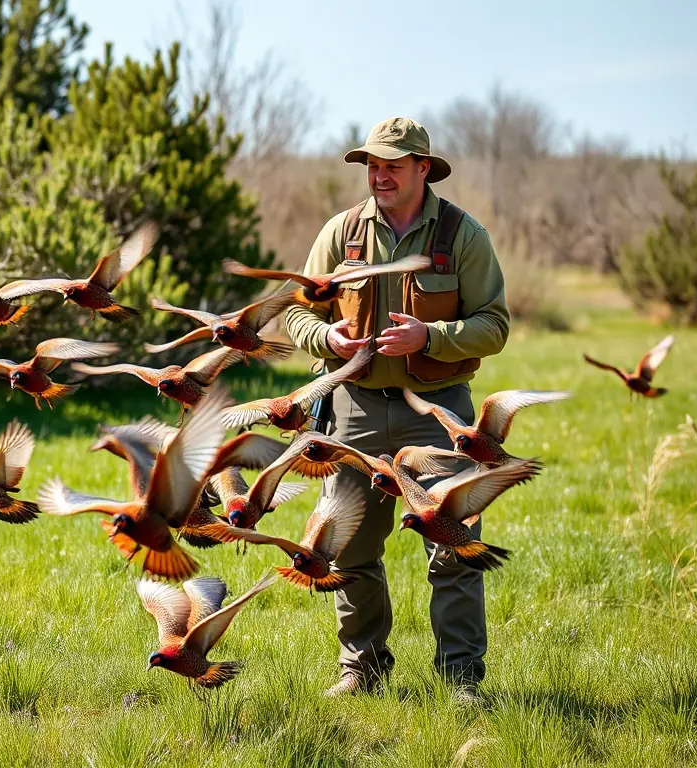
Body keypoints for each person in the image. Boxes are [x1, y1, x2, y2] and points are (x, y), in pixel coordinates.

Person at [285, 117, 510, 700]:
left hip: (437, 412)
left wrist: (430, 339)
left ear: (421, 169)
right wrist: (325, 338)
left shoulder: (463, 236)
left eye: (390, 165)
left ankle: (460, 678)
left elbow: (495, 324)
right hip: (352, 407)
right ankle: (362, 667)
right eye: (371, 166)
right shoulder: (341, 234)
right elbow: (295, 314)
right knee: (350, 545)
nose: (378, 177)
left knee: (454, 544)